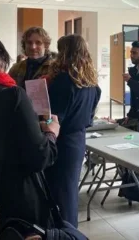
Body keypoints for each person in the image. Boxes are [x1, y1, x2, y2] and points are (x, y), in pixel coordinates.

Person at [0, 36, 59, 231]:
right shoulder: (11, 93)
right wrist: (51, 134)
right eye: (29, 42)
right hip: (11, 199)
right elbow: (40, 156)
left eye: (38, 42)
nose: (33, 47)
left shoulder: (52, 70)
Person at [44, 34, 101, 228]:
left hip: (60, 141)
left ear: (65, 52)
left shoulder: (62, 82)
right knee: (69, 193)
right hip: (78, 141)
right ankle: (70, 231)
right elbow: (90, 117)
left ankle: (63, 233)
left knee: (57, 194)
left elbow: (54, 117)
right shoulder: (92, 84)